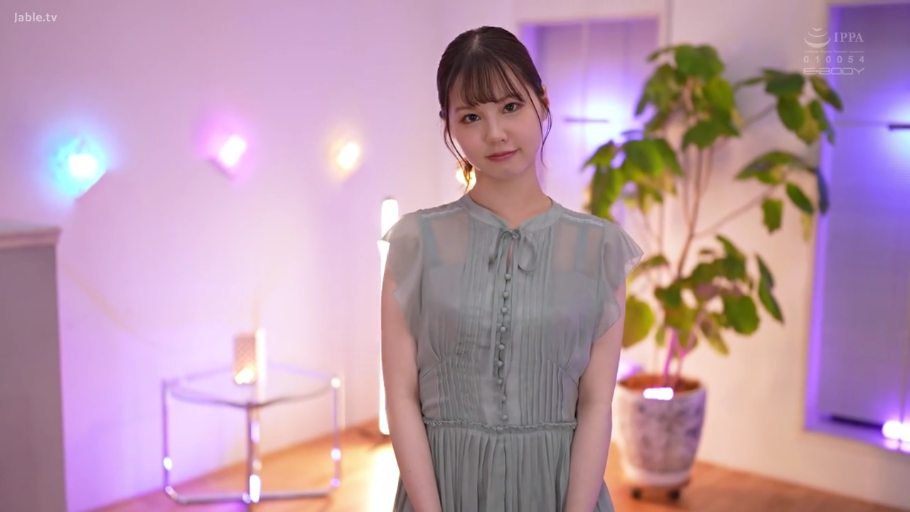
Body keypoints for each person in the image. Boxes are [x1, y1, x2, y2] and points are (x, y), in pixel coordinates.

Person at [380, 25, 643, 512]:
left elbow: (595, 406)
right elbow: (401, 399)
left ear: (542, 102)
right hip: (443, 491)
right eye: (471, 116)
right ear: (449, 125)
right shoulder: (415, 243)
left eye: (510, 106)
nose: (495, 132)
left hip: (557, 490)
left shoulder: (598, 249)